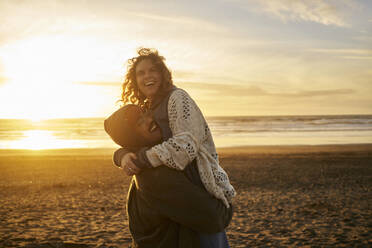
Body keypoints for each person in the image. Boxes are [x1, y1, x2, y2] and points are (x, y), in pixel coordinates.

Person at [111, 47, 236, 247]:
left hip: (199, 184)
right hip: (179, 191)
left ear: (163, 74)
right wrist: (122, 154)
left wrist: (141, 159)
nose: (147, 76)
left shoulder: (177, 98)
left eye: (153, 70)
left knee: (208, 233)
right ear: (135, 80)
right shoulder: (150, 107)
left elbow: (185, 147)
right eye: (141, 73)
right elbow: (136, 139)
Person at [104, 104, 232, 247]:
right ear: (132, 138)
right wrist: (227, 205)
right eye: (140, 123)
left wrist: (120, 154)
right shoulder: (155, 175)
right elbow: (214, 219)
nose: (149, 119)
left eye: (145, 112)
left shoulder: (156, 156)